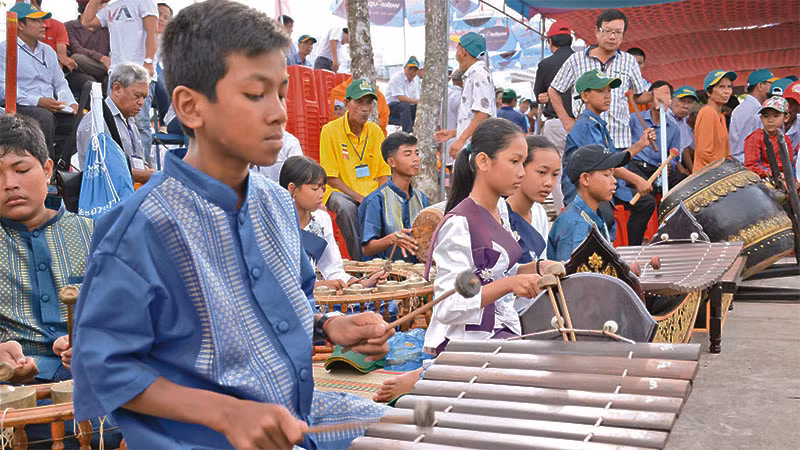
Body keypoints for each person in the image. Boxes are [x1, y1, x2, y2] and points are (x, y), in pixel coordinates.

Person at [72, 3, 390, 449]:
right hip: (206, 440)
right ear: (191, 107)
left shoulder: (278, 203)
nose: (279, 112)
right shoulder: (140, 227)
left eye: (281, 93)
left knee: (416, 428)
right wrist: (225, 413)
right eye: (257, 94)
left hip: (297, 416)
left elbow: (289, 304)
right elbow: (102, 366)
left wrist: (329, 326)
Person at [373, 118, 543, 403]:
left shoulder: (500, 207)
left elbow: (501, 271)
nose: (522, 173)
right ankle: (429, 373)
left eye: (524, 163)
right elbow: (449, 306)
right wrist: (511, 284)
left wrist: (537, 268)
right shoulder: (459, 225)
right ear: (484, 161)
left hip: (502, 327)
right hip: (468, 339)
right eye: (515, 161)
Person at [0, 113, 86, 383]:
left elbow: (129, 315)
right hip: (13, 397)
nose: (9, 184)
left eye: (22, 170)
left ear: (48, 170)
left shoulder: (96, 234)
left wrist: (95, 340)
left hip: (94, 388)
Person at [548, 9, 668, 152]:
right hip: (585, 140)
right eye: (607, 31)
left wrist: (655, 95)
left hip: (618, 141)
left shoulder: (628, 61)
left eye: (618, 32)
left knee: (616, 173)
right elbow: (554, 89)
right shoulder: (577, 59)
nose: (612, 37)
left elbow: (638, 96)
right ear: (597, 31)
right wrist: (566, 120)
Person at [564, 69, 654, 245]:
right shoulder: (586, 126)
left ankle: (631, 249)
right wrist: (637, 179)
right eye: (600, 91)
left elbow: (612, 159)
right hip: (584, 189)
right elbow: (602, 164)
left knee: (646, 202)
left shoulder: (598, 124)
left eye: (609, 91)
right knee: (605, 218)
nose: (607, 96)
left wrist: (640, 144)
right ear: (585, 96)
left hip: (600, 183)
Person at [280, 155, 385, 291]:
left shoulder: (322, 220)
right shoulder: (274, 222)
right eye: (314, 188)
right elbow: (275, 281)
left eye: (322, 188)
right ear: (292, 189)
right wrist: (317, 285)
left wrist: (362, 284)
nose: (321, 194)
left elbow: (333, 269)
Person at [320, 78, 391, 261]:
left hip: (371, 191)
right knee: (346, 208)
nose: (365, 108)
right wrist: (359, 198)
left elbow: (384, 173)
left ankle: (385, 260)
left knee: (390, 201)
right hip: (340, 191)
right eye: (359, 102)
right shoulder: (330, 131)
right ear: (347, 103)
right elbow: (330, 178)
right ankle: (360, 260)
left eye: (369, 103)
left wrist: (378, 196)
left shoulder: (375, 132)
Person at [0, 2, 79, 163]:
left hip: (52, 105)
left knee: (78, 121)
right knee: (44, 118)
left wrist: (71, 103)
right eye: (36, 21)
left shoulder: (48, 51)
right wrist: (38, 101)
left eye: (43, 20)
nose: (43, 25)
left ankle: (63, 166)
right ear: (20, 24)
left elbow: (60, 82)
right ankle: (44, 169)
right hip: (22, 105)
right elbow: (3, 89)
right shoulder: (4, 49)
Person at [82, 0, 159, 162]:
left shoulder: (145, 2)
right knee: (114, 120)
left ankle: (141, 168)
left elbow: (152, 32)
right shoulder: (112, 7)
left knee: (140, 123)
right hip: (116, 73)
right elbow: (87, 22)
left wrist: (149, 62)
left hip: (140, 72)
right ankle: (121, 166)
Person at [76, 63, 155, 184]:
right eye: (137, 96)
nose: (141, 102)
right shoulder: (96, 121)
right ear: (117, 88)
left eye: (144, 97)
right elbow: (99, 171)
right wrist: (142, 175)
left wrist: (147, 173)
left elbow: (138, 162)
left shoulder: (130, 121)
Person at [548, 144, 630, 261]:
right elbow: (575, 276)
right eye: (607, 175)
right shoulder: (575, 224)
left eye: (613, 174)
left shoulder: (592, 214)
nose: (614, 181)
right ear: (585, 179)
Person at [359, 132, 429, 262]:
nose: (416, 159)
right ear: (391, 162)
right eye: (408, 154)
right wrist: (392, 239)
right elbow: (367, 248)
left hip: (418, 272)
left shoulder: (422, 199)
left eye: (417, 153)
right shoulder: (376, 200)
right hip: (386, 276)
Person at [435, 32, 495, 160]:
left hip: (475, 149)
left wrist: (461, 139)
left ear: (463, 51)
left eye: (457, 48)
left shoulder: (478, 74)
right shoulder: (474, 74)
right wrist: (454, 133)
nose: (456, 53)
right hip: (474, 146)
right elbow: (474, 117)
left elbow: (483, 113)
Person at [628, 81, 686, 212]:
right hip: (636, 166)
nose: (660, 98)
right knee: (646, 191)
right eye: (657, 94)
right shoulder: (634, 119)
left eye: (666, 95)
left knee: (683, 182)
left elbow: (675, 156)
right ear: (649, 98)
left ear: (670, 100)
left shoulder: (674, 129)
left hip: (657, 170)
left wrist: (669, 164)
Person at [506, 136, 561, 263]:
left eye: (555, 175)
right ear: (520, 168)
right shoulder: (501, 216)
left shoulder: (538, 212)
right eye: (542, 172)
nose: (549, 183)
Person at [534, 20, 575, 158]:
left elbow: (538, 95)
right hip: (580, 122)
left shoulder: (545, 64)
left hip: (556, 123)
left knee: (554, 167)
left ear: (550, 41)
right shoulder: (581, 62)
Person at [729, 69, 779, 163]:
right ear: (760, 86)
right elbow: (746, 146)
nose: (773, 87)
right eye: (770, 83)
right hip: (747, 165)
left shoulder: (750, 107)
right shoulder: (750, 109)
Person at [64, 1, 111, 94]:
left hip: (102, 67)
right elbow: (76, 49)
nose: (103, 8)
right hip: (80, 68)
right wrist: (101, 58)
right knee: (77, 58)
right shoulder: (69, 26)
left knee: (110, 80)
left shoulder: (106, 29)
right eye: (100, 5)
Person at [694, 70, 737, 171]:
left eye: (729, 87)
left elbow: (726, 153)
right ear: (709, 92)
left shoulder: (721, 116)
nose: (727, 91)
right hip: (707, 176)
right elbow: (704, 153)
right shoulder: (707, 112)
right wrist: (725, 168)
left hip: (719, 174)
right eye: (721, 87)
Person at [744, 97, 794, 179]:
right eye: (766, 116)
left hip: (784, 179)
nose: (770, 120)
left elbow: (790, 164)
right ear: (761, 118)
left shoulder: (785, 139)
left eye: (776, 116)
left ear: (786, 118)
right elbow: (751, 167)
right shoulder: (755, 138)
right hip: (762, 180)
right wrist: (771, 173)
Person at [668, 85, 699, 175]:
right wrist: (684, 174)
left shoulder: (682, 122)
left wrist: (694, 172)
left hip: (676, 166)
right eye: (682, 101)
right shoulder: (666, 118)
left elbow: (684, 148)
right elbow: (669, 152)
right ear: (672, 100)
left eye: (689, 102)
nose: (686, 106)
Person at [385, 56, 421, 133]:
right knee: (405, 105)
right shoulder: (397, 77)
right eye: (410, 69)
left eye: (415, 70)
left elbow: (416, 99)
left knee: (418, 107)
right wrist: (417, 101)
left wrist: (419, 103)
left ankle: (419, 130)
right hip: (391, 107)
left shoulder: (416, 81)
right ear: (405, 68)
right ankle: (408, 132)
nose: (412, 72)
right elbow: (400, 98)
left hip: (406, 106)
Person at [443, 68, 463, 167]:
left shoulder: (445, 96)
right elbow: (463, 122)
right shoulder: (460, 98)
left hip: (445, 142)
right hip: (457, 142)